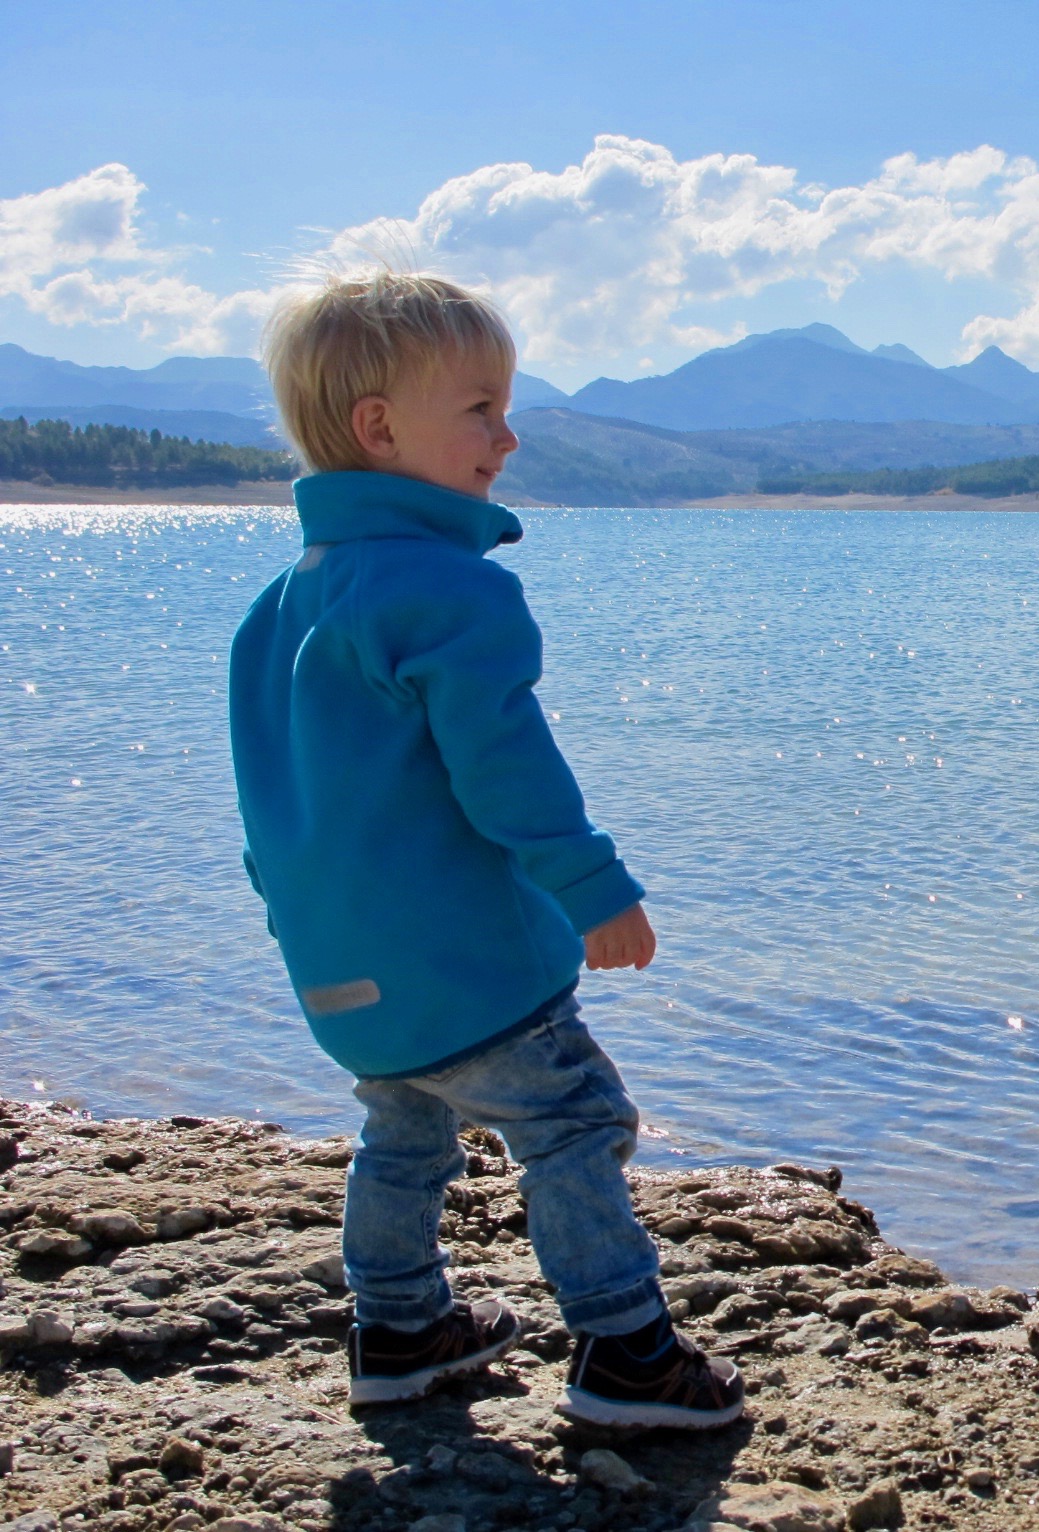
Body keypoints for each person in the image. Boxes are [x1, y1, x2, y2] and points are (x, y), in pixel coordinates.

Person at [229, 270, 744, 1427]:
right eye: (481, 408)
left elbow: (270, 813)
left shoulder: (273, 610)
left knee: (404, 1129)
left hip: (341, 975)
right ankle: (626, 1351)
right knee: (571, 1121)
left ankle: (399, 1328)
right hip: (469, 965)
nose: (507, 437)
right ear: (379, 427)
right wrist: (594, 890)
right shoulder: (452, 591)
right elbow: (507, 774)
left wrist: (300, 932)